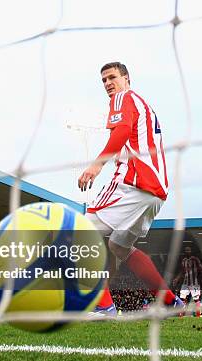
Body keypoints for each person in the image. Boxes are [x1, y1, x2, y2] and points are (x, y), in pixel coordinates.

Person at [78, 61, 183, 315]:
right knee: (118, 247)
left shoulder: (123, 97)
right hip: (156, 192)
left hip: (133, 182)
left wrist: (96, 165)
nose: (107, 84)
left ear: (126, 78)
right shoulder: (144, 105)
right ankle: (171, 302)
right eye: (103, 80)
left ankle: (104, 307)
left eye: (112, 77)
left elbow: (122, 131)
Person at [173, 246, 202, 317]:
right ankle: (181, 314)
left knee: (196, 299)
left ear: (191, 251)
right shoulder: (183, 260)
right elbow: (182, 271)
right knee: (182, 297)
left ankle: (198, 315)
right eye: (186, 250)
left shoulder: (195, 259)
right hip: (185, 282)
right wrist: (177, 279)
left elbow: (201, 269)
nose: (187, 251)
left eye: (188, 250)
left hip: (194, 282)